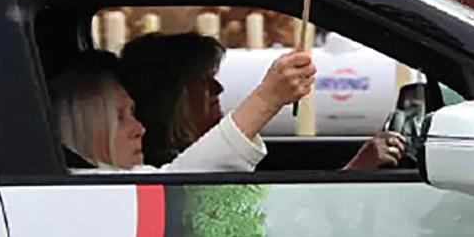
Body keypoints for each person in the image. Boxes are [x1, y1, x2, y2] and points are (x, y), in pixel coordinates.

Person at [120, 32, 405, 170]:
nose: (218, 88)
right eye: (204, 81)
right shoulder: (157, 165)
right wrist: (270, 96)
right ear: (173, 94)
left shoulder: (174, 153)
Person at [50, 47, 316, 172]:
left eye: (132, 114)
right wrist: (268, 99)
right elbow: (184, 186)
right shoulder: (88, 189)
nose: (139, 129)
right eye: (119, 117)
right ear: (80, 127)